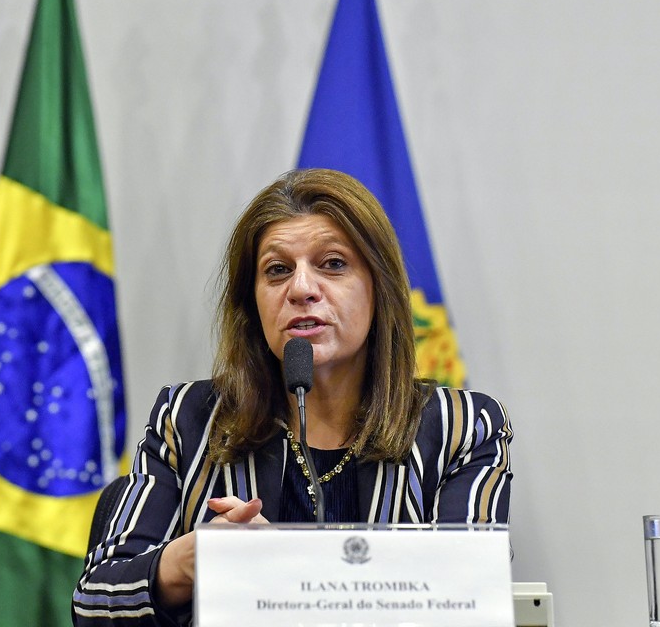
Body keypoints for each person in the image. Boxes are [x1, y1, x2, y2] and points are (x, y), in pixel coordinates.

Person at [71, 168, 513, 626]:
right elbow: (94, 601)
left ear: (379, 288)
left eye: (333, 263)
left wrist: (285, 568)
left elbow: (470, 596)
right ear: (253, 303)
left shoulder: (461, 427)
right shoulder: (190, 419)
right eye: (278, 270)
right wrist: (186, 562)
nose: (301, 289)